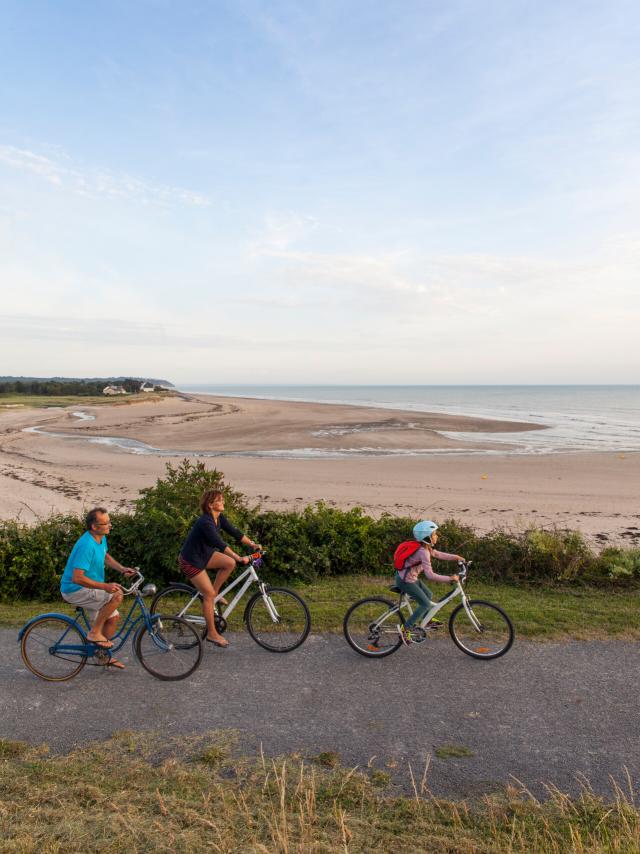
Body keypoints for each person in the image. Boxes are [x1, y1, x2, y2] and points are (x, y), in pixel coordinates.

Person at [178, 489, 261, 648]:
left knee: (229, 564)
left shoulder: (219, 518)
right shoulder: (205, 522)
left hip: (204, 555)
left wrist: (252, 544)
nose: (223, 502)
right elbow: (220, 543)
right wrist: (239, 557)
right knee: (208, 594)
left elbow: (235, 532)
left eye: (222, 499)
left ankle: (214, 595)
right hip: (191, 560)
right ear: (210, 505)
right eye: (219, 500)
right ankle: (212, 633)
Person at [60, 507, 137, 669]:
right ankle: (95, 633)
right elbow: (77, 577)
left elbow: (105, 556)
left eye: (109, 522)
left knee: (113, 617)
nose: (110, 525)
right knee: (117, 595)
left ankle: (102, 656)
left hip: (89, 589)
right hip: (74, 589)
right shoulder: (86, 545)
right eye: (106, 523)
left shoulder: (100, 538)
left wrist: (122, 568)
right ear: (94, 526)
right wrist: (105, 586)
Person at [394, 520, 464, 645]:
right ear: (427, 537)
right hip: (405, 581)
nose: (436, 536)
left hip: (410, 578)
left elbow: (438, 554)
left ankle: (427, 620)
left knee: (429, 595)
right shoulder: (423, 552)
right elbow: (430, 575)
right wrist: (450, 578)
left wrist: (456, 557)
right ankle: (406, 630)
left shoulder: (425, 548)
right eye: (434, 534)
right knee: (425, 604)